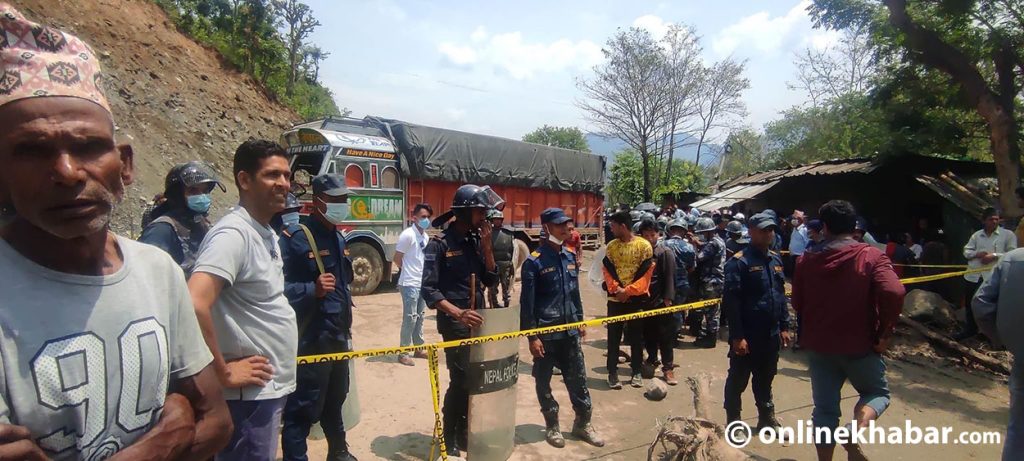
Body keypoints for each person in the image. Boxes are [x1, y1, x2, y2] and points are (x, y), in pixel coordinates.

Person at [0, 4, 232, 459]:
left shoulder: (156, 271)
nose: (67, 172)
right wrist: (164, 440)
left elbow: (217, 422)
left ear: (124, 165)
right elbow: (191, 425)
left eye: (87, 146)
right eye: (31, 151)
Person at [188, 140, 298, 461]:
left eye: (287, 176)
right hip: (247, 396)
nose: (283, 184)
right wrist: (222, 373)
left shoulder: (264, 231)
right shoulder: (233, 235)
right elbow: (194, 302)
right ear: (244, 180)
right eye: (272, 175)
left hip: (264, 390)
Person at [792, 200, 905, 461]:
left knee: (824, 410)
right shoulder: (872, 256)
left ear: (825, 226)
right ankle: (855, 428)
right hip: (860, 345)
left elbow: (797, 303)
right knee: (877, 393)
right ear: (853, 226)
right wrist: (885, 333)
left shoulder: (806, 261)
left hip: (819, 346)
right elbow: (894, 290)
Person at [279, 174, 358, 461]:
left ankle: (338, 452)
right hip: (311, 338)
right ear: (318, 202)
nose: (342, 204)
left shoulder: (338, 236)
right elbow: (274, 289)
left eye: (344, 199)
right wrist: (310, 289)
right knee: (302, 409)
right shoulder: (296, 238)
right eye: (336, 199)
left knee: (336, 398)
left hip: (337, 335)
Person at [421, 184, 502, 457]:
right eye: (480, 212)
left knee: (474, 380)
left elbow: (491, 279)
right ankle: (450, 434)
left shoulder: (477, 241)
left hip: (478, 321)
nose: (484, 218)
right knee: (460, 379)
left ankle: (467, 431)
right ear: (466, 212)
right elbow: (429, 291)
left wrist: (488, 247)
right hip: (456, 323)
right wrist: (458, 313)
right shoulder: (439, 245)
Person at [521, 208, 605, 449]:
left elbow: (574, 293)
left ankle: (582, 424)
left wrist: (579, 320)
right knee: (543, 382)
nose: (568, 229)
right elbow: (527, 304)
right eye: (561, 226)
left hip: (569, 333)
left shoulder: (569, 257)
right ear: (547, 228)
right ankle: (552, 425)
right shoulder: (534, 262)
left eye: (568, 225)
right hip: (546, 335)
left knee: (578, 380)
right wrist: (532, 336)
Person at [723, 213, 791, 441]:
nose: (768, 234)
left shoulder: (776, 260)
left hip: (770, 335)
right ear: (750, 231)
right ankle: (734, 421)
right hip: (747, 335)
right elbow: (732, 303)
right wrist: (737, 336)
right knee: (738, 380)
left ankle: (766, 418)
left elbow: (780, 296)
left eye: (771, 229)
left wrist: (784, 326)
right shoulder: (738, 262)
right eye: (763, 230)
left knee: (766, 378)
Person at [972, 247, 1024, 461]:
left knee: (1018, 431)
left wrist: (1002, 340)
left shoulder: (1012, 259)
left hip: (1022, 360)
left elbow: (981, 303)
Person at [139, 161, 226, 274]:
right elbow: (143, 273)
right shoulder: (162, 230)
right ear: (178, 195)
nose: (201, 196)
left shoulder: (200, 224)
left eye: (205, 191)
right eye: (193, 191)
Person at [601, 210, 654, 390]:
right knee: (613, 338)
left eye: (613, 226)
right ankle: (612, 372)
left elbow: (646, 274)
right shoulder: (611, 247)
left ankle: (636, 371)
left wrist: (629, 291)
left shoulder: (644, 246)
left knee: (636, 338)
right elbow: (607, 271)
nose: (611, 229)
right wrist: (617, 290)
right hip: (615, 300)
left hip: (636, 300)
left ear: (623, 226)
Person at [957, 207, 1017, 341]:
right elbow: (966, 252)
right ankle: (970, 330)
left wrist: (994, 256)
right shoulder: (977, 235)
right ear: (984, 221)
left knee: (992, 305)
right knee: (970, 304)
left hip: (993, 277)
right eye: (991, 219)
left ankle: (992, 335)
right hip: (973, 276)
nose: (994, 222)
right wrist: (976, 254)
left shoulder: (1007, 235)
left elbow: (1012, 254)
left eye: (997, 219)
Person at [638, 219, 678, 385]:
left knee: (665, 336)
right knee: (648, 334)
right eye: (645, 235)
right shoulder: (640, 252)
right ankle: (652, 359)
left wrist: (668, 298)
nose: (649, 238)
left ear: (658, 235)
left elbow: (670, 277)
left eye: (652, 235)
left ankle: (668, 368)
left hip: (661, 301)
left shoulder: (664, 252)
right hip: (645, 300)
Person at [394, 203, 433, 366]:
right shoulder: (407, 235)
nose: (426, 220)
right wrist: (408, 271)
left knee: (420, 317)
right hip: (409, 283)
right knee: (410, 318)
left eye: (428, 217)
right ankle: (403, 352)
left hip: (421, 282)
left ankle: (418, 348)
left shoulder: (425, 237)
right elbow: (397, 258)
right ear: (414, 217)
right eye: (423, 217)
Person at [689, 216, 727, 348]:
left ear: (709, 231)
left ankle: (711, 338)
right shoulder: (718, 240)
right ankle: (710, 333)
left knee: (711, 310)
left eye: (703, 233)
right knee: (712, 309)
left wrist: (693, 246)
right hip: (716, 279)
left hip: (712, 280)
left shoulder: (713, 243)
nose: (702, 236)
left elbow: (699, 258)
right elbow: (706, 247)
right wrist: (698, 243)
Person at [487, 209, 516, 308]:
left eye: (499, 219)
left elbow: (513, 251)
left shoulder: (508, 234)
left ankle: (506, 303)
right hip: (494, 264)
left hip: (506, 265)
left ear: (502, 220)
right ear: (492, 220)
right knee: (493, 287)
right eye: (495, 219)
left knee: (506, 285)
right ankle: (494, 304)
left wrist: (512, 264)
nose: (497, 221)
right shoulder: (488, 233)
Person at [787, 210, 809, 277]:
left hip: (800, 257)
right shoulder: (794, 229)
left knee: (799, 276)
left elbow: (807, 244)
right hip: (793, 256)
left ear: (799, 219)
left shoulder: (804, 230)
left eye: (794, 218)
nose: (793, 220)